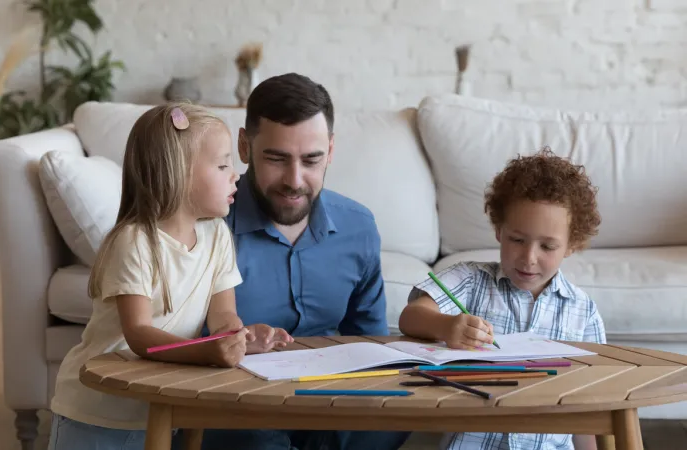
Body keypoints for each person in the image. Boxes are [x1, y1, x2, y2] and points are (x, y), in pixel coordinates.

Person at [47, 103, 293, 450]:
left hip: (162, 402)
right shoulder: (134, 241)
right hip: (97, 409)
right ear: (179, 174)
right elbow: (138, 333)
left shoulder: (218, 235)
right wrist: (209, 351)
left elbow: (222, 315)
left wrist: (237, 338)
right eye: (223, 164)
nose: (235, 174)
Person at [198, 73, 411, 450]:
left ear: (330, 150)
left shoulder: (358, 227)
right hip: (238, 397)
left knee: (394, 418)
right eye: (277, 159)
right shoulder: (205, 229)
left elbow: (369, 342)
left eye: (311, 160)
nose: (295, 181)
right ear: (245, 148)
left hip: (329, 399)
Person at [398, 148, 606, 450]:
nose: (529, 258)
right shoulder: (470, 280)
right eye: (517, 240)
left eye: (547, 246)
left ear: (572, 245)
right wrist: (445, 327)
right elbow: (411, 316)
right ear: (499, 230)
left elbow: (588, 404)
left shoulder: (583, 312)